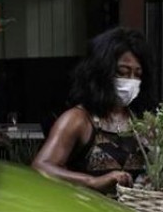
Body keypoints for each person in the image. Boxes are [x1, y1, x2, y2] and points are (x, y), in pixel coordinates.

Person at [32, 27, 154, 194]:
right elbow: (41, 167)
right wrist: (92, 181)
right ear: (101, 73)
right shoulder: (78, 119)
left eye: (137, 75)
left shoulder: (142, 121)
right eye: (122, 73)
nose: (131, 81)